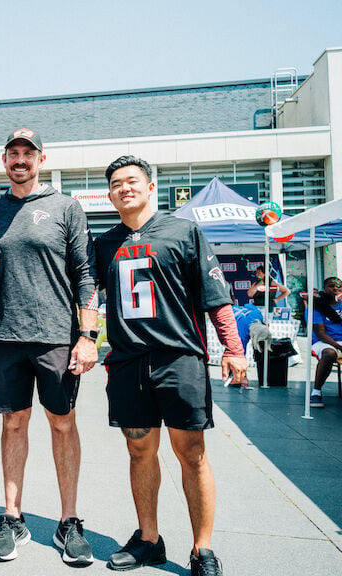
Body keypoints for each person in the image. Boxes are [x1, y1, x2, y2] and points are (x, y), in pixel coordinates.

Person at [95, 156, 248, 576]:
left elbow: (215, 297)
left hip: (179, 360)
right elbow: (89, 301)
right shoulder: (104, 243)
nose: (124, 188)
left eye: (131, 181)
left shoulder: (184, 232)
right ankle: (149, 540)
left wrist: (234, 349)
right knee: (139, 450)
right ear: (109, 194)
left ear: (149, 188)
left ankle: (203, 549)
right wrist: (85, 341)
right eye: (116, 184)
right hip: (127, 363)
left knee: (192, 454)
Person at [0, 128, 97, 566]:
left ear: (41, 159)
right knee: (13, 424)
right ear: (5, 160)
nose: (20, 160)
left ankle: (69, 521)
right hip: (5, 336)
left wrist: (89, 336)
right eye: (13, 153)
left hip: (56, 337)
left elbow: (86, 274)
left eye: (28, 153)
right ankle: (13, 518)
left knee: (62, 424)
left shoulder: (65, 207)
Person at [309, 276, 342, 408]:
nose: (335, 288)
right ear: (324, 288)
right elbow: (321, 334)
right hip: (324, 342)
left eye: (338, 286)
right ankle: (316, 392)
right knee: (329, 353)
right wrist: (339, 346)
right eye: (331, 286)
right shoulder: (317, 306)